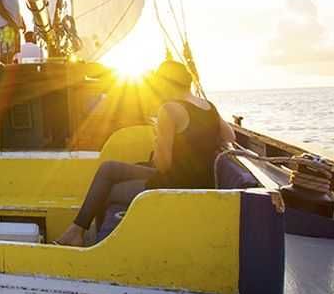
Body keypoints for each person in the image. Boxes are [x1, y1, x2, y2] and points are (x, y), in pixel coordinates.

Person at [54, 59, 236, 246]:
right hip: (200, 180)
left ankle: (88, 239)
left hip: (176, 185)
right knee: (111, 169)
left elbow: (163, 165)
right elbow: (230, 136)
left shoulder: (169, 109)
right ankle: (76, 232)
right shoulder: (208, 106)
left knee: (107, 189)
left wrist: (159, 141)